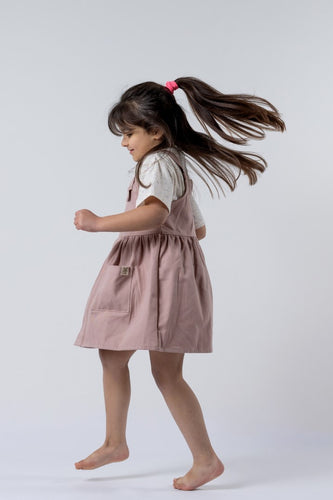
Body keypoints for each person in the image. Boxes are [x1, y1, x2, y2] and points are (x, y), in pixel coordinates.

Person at [72, 77, 285, 491]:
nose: (124, 143)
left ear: (156, 130)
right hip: (162, 270)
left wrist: (99, 223)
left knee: (160, 370)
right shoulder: (173, 164)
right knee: (116, 354)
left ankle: (202, 459)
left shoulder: (158, 164)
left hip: (154, 273)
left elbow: (153, 215)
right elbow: (197, 230)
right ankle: (117, 442)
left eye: (129, 134)